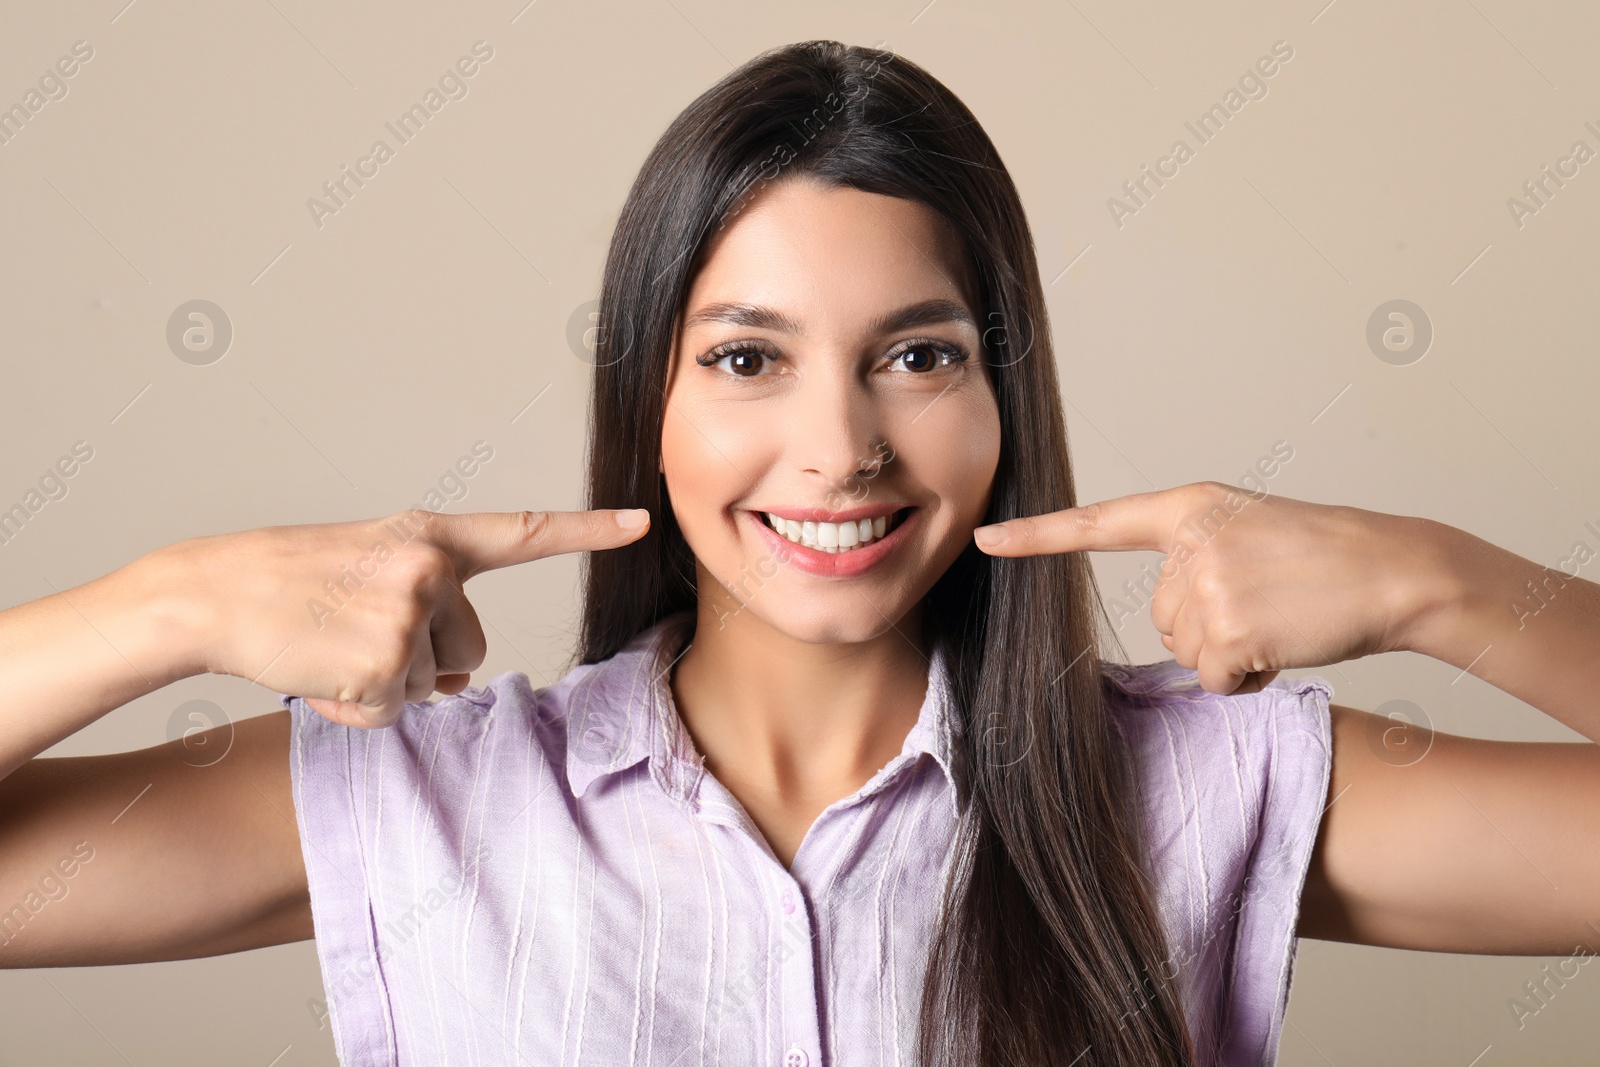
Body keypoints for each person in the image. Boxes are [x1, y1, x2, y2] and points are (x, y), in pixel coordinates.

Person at [2, 38, 1598, 1067]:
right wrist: (177, 601)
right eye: (748, 359)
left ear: (1005, 392)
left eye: (918, 355)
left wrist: (1435, 585)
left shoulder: (1198, 782)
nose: (840, 449)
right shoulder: (422, 800)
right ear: (649, 400)